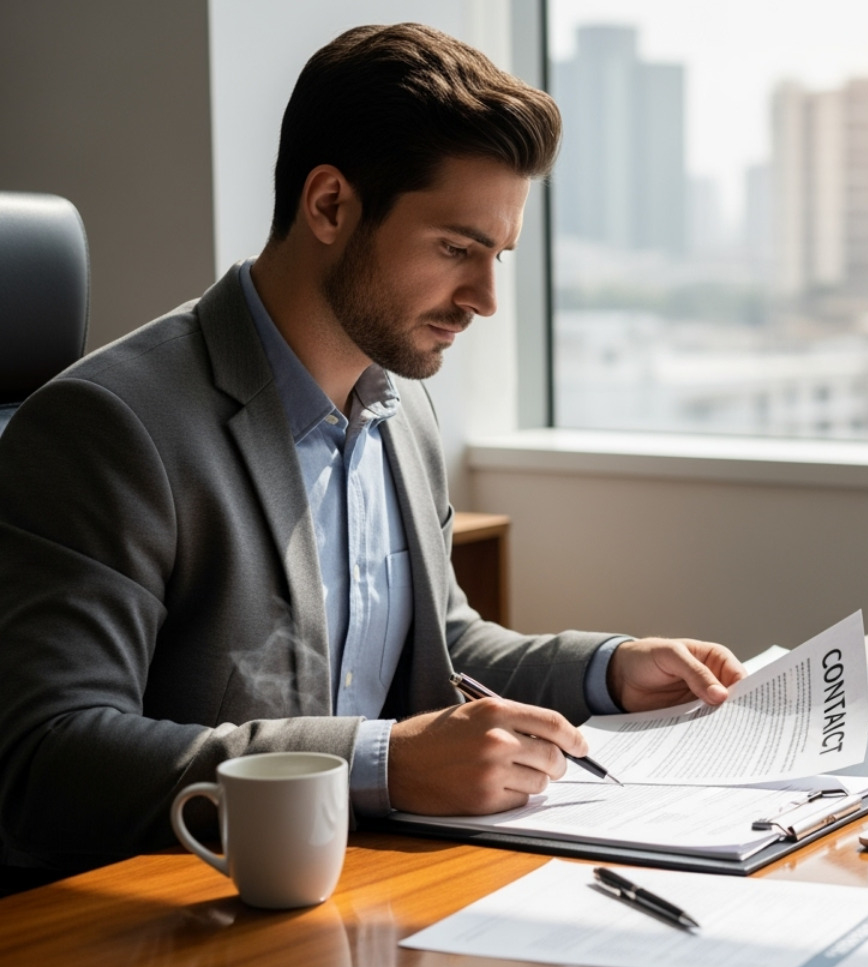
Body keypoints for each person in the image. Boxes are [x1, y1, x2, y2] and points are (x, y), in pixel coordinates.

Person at [0, 23, 745, 882]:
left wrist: (609, 672)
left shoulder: (399, 403)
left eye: (498, 256)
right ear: (329, 205)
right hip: (175, 909)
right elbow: (50, 756)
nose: (485, 298)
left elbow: (437, 644)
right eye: (456, 249)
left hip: (360, 890)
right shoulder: (111, 428)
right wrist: (384, 763)